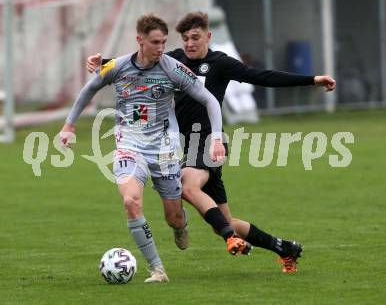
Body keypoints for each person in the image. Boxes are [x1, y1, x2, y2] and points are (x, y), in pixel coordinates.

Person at [86, 11, 336, 273]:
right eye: (185, 39)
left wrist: (311, 80)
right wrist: (103, 62)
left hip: (209, 142)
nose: (190, 43)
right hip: (188, 146)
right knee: (223, 220)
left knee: (187, 185)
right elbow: (138, 62)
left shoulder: (221, 63)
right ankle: (285, 248)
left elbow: (263, 76)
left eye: (195, 37)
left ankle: (231, 238)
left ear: (208, 36)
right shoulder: (174, 60)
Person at [60, 14, 251, 284]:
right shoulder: (119, 66)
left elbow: (209, 99)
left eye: (163, 42)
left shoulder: (173, 68)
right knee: (130, 201)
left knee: (173, 217)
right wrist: (69, 126)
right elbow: (89, 89)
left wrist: (217, 138)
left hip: (165, 149)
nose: (161, 48)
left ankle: (180, 225)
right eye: (155, 43)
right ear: (140, 41)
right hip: (129, 144)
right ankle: (157, 269)